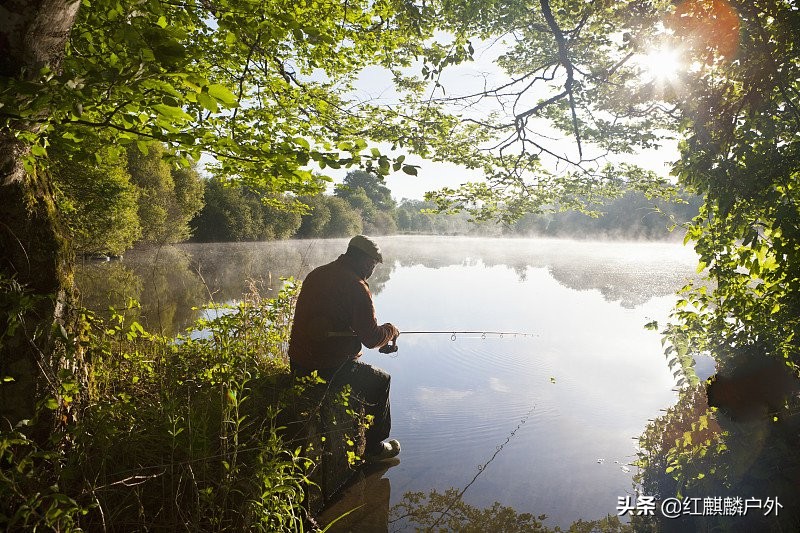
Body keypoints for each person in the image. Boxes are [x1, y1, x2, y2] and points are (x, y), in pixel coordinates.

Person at [289, 235, 401, 462]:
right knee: (381, 381)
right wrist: (390, 330)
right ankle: (374, 448)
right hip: (329, 368)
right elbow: (371, 339)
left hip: (297, 362)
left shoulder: (317, 274)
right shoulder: (356, 287)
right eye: (372, 265)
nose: (372, 271)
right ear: (363, 260)